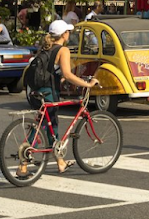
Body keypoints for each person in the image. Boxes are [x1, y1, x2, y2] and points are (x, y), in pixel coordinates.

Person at [23, 19, 98, 176]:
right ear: (64, 34)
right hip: (49, 92)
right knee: (45, 125)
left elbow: (52, 71)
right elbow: (68, 74)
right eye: (68, 31)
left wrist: (61, 79)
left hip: (37, 90)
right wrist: (87, 84)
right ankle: (22, 165)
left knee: (50, 125)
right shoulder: (63, 50)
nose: (69, 34)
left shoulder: (45, 48)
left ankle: (60, 162)